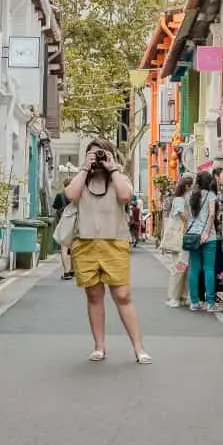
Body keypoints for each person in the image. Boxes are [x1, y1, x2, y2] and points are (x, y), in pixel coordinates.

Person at [66, 138, 152, 364]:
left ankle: (139, 347)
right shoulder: (82, 179)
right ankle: (99, 346)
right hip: (85, 242)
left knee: (123, 295)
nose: (98, 158)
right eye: (94, 154)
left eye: (102, 154)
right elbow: (70, 195)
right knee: (94, 295)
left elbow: (125, 196)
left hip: (115, 242)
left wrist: (112, 168)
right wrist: (85, 167)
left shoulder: (118, 179)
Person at [186, 170, 221, 312]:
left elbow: (187, 216)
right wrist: (206, 232)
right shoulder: (211, 195)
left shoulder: (191, 196)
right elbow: (212, 214)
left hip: (193, 236)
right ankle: (210, 302)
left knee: (194, 269)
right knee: (209, 269)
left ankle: (194, 301)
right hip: (209, 236)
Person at [162, 175, 194, 308]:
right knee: (179, 268)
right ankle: (174, 297)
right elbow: (184, 217)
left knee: (184, 267)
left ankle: (182, 296)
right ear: (187, 186)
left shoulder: (181, 199)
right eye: (192, 186)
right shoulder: (181, 200)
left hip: (182, 238)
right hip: (179, 238)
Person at [52, 189, 74, 281]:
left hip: (64, 221)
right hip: (75, 222)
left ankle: (66, 271)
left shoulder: (60, 195)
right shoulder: (76, 195)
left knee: (64, 248)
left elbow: (54, 206)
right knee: (74, 247)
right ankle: (73, 269)